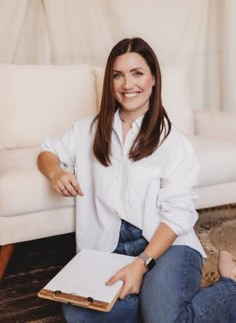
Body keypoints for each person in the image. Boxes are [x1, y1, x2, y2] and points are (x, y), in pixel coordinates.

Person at [37, 37, 236, 323]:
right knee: (78, 314)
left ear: (154, 78)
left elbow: (178, 216)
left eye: (137, 73)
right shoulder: (88, 130)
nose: (127, 84)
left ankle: (229, 286)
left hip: (166, 246)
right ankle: (157, 303)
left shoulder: (174, 142)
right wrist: (56, 172)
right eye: (118, 75)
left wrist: (142, 264)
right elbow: (47, 152)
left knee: (164, 320)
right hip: (109, 250)